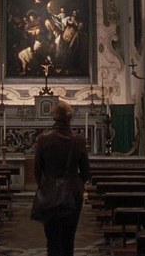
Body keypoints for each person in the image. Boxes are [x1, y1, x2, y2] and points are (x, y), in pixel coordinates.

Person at [34, 100, 90, 256]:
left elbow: (37, 169)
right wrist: (77, 184)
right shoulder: (79, 140)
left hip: (50, 190)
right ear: (70, 117)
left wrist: (43, 186)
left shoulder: (43, 139)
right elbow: (85, 171)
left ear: (53, 116)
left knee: (52, 238)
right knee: (69, 237)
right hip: (73, 191)